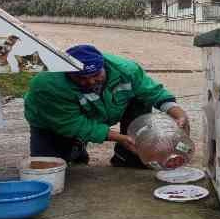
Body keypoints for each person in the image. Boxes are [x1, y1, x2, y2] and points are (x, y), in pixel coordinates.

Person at [23, 44, 190, 168]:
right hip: (50, 122)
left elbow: (152, 92)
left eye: (96, 75)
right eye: (81, 78)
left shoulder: (126, 70)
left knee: (139, 98)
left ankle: (126, 157)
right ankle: (76, 147)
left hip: (97, 111)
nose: (90, 81)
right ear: (68, 72)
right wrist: (120, 138)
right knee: (50, 168)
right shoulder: (47, 84)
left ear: (104, 65)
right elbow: (72, 124)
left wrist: (178, 113)